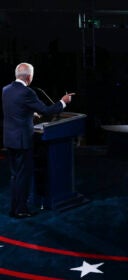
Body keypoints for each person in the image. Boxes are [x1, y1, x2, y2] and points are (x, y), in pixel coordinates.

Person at [2, 62, 75, 218]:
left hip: (9, 139)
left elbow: (14, 110)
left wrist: (29, 113)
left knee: (15, 175)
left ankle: (14, 208)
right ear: (29, 76)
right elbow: (47, 111)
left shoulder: (6, 90)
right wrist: (63, 101)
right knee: (23, 176)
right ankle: (21, 210)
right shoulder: (27, 92)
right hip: (22, 140)